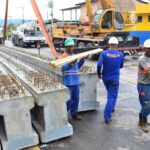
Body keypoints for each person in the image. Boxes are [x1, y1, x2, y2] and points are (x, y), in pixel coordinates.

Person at [97, 37, 124, 124]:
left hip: (105, 79)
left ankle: (111, 107)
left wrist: (99, 74)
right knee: (112, 97)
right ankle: (107, 117)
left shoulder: (104, 53)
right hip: (114, 79)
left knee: (110, 94)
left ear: (109, 44)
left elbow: (99, 65)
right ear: (116, 45)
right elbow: (121, 66)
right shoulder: (120, 55)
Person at [61, 38, 84, 120]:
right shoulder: (64, 56)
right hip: (68, 82)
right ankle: (64, 116)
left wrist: (82, 60)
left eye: (72, 47)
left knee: (76, 99)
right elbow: (63, 68)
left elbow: (76, 67)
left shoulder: (74, 56)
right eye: (69, 47)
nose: (71, 48)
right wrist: (71, 64)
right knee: (68, 101)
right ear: (66, 47)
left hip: (75, 82)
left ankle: (74, 113)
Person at [137, 39, 150, 133]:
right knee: (146, 103)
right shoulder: (142, 59)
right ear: (145, 49)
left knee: (147, 104)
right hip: (143, 84)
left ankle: (141, 120)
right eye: (149, 49)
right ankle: (143, 122)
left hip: (148, 83)